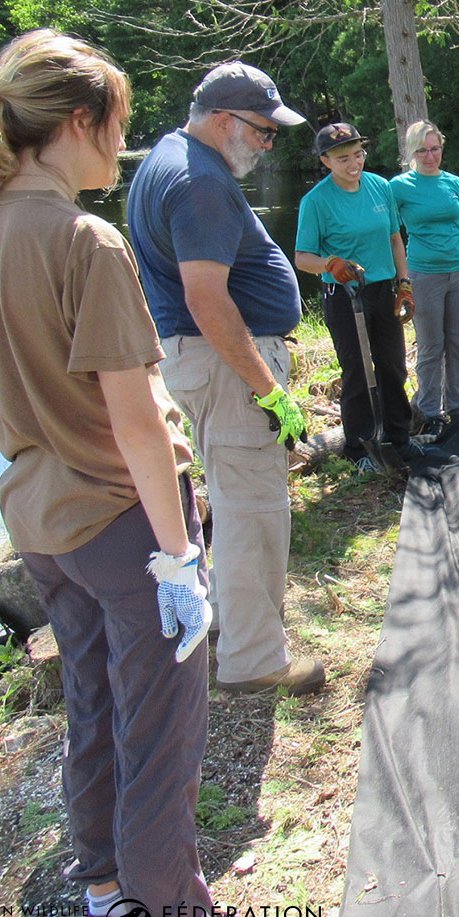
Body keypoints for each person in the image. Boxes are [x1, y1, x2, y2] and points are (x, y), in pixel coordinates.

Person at [0, 30, 225, 917]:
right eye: (119, 122)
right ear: (79, 122)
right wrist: (179, 560)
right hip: (123, 523)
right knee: (159, 745)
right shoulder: (83, 240)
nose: (125, 142)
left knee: (94, 710)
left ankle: (105, 900)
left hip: (42, 520)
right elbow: (137, 422)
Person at [127, 60, 324, 696]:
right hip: (225, 367)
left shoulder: (169, 157)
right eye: (263, 130)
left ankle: (231, 625)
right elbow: (207, 300)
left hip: (199, 360)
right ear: (222, 120)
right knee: (252, 511)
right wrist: (269, 389)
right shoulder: (200, 183)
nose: (268, 144)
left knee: (235, 498)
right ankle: (254, 660)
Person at [294, 122, 415, 467]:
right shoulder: (316, 201)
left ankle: (399, 438)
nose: (353, 164)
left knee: (392, 365)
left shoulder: (380, 187)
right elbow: (302, 258)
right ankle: (359, 449)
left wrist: (404, 284)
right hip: (344, 294)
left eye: (358, 154)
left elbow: (395, 239)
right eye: (343, 158)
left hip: (382, 289)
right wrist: (330, 263)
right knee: (357, 370)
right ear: (326, 161)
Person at [389, 119, 459, 440]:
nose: (430, 156)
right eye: (422, 151)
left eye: (435, 149)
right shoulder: (399, 187)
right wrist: (401, 280)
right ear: (412, 152)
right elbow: (391, 234)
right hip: (424, 274)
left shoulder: (455, 184)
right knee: (431, 346)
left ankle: (458, 408)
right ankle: (431, 413)